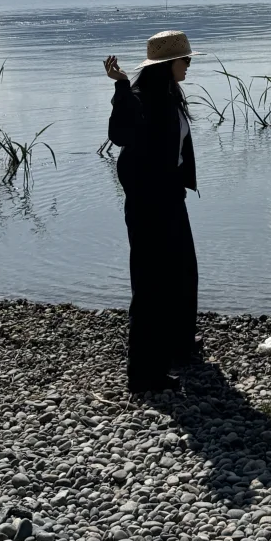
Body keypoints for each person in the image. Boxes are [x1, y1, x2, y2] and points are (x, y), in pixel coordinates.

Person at [104, 30, 200, 394]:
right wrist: (121, 87)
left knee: (182, 272)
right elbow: (120, 135)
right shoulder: (141, 97)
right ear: (167, 64)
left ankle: (179, 346)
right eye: (185, 60)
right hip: (149, 202)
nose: (188, 65)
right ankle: (144, 374)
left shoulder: (170, 94)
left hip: (170, 195)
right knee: (150, 285)